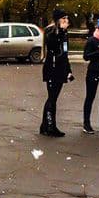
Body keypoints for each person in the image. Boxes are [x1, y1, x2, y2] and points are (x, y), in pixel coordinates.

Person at [40, 9, 74, 137]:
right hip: (52, 69)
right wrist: (61, 31)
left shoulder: (64, 33)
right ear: (57, 19)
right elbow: (53, 46)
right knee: (52, 98)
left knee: (53, 98)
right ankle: (50, 126)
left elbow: (65, 54)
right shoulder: (51, 32)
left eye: (67, 18)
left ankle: (45, 125)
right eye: (63, 18)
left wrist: (68, 70)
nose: (66, 21)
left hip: (60, 69)